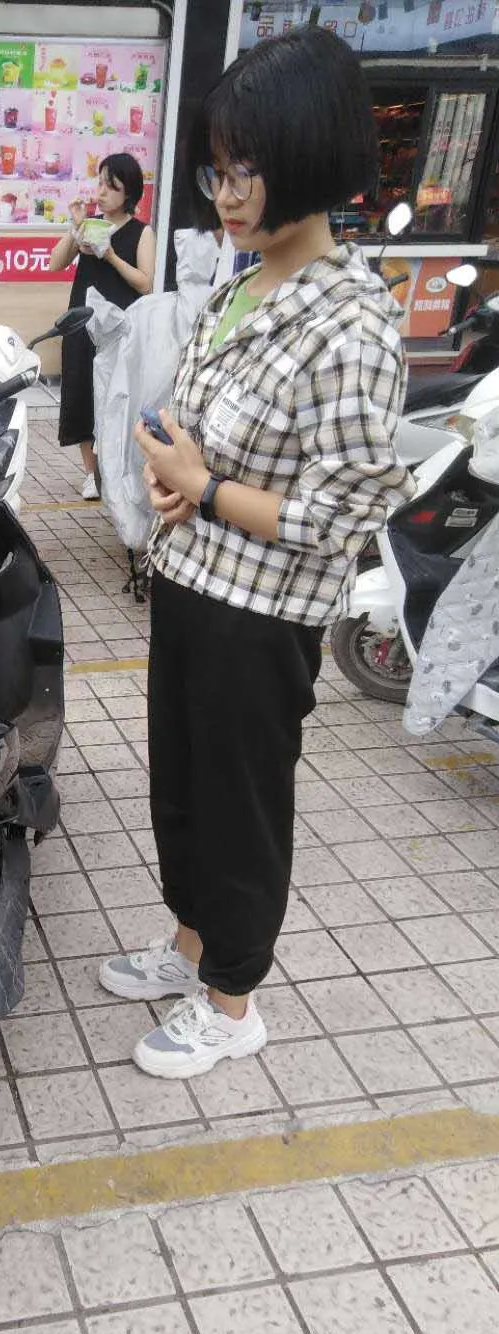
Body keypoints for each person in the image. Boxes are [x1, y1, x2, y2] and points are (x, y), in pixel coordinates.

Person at [97, 28, 412, 1078]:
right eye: (217, 170)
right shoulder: (238, 287)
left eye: (249, 169)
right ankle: (189, 943)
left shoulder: (352, 320)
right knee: (179, 788)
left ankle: (232, 1002)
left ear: (312, 158)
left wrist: (206, 489)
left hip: (262, 613)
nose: (228, 194)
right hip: (190, 586)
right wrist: (163, 472)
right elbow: (185, 425)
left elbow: (344, 506)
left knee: (240, 804)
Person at [50, 152, 156, 500]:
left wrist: (109, 255)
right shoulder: (90, 224)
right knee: (82, 393)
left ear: (130, 193)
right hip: (82, 323)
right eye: (100, 183)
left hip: (120, 328)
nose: (102, 192)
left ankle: (118, 468)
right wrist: (76, 228)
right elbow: (55, 264)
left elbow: (145, 283)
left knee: (118, 397)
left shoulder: (142, 233)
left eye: (112, 186)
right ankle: (91, 474)